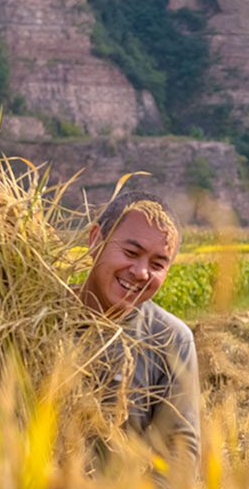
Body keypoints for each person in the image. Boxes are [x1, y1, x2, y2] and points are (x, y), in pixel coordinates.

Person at [78, 190, 200, 465]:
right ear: (95, 240)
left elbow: (178, 454)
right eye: (131, 252)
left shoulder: (171, 339)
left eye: (157, 264)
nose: (142, 273)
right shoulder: (36, 315)